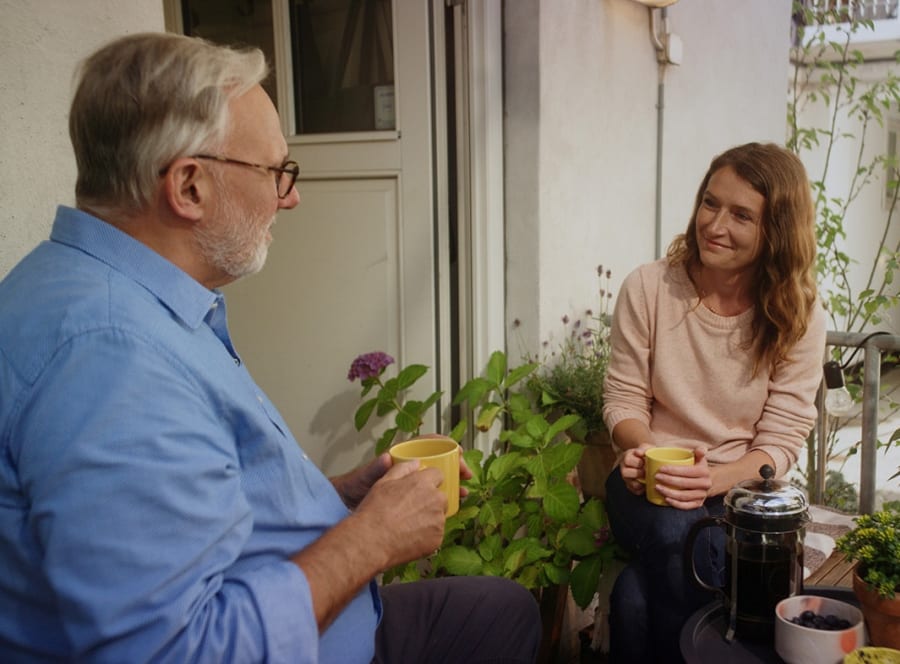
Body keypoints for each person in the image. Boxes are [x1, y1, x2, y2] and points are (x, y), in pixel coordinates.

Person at [0, 33, 540, 663]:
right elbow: (176, 652)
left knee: (499, 611)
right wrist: (373, 539)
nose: (291, 195)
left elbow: (187, 510)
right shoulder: (109, 358)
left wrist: (337, 497)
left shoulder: (94, 288)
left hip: (309, 616)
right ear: (190, 187)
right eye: (276, 171)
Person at [601, 142, 827, 663]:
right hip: (643, 484)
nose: (714, 224)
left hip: (738, 494)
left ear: (776, 231)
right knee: (676, 523)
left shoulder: (799, 316)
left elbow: (782, 440)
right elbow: (623, 398)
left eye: (741, 215)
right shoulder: (649, 288)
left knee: (633, 598)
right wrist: (641, 450)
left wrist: (712, 480)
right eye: (710, 202)